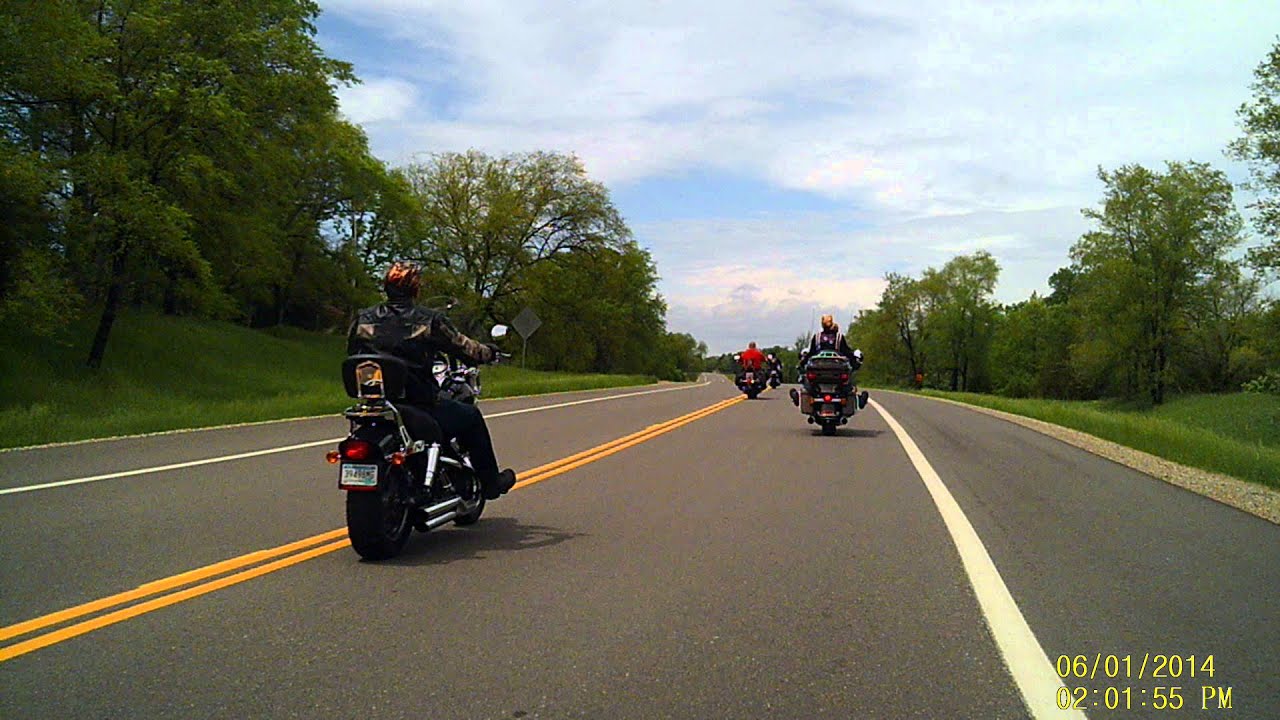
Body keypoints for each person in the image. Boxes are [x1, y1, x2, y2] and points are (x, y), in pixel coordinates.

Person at [346, 261, 516, 500]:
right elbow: (464, 347)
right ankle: (490, 483)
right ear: (415, 289)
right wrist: (489, 352)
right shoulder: (428, 320)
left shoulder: (363, 319)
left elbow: (351, 352)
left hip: (374, 404)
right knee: (471, 417)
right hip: (418, 403)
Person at [793, 314, 868, 409]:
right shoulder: (839, 338)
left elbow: (810, 354)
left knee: (808, 384)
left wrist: (802, 364)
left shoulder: (817, 338)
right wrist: (855, 364)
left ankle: (801, 398)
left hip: (818, 374)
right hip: (837, 374)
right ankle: (858, 401)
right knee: (849, 384)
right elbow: (848, 353)